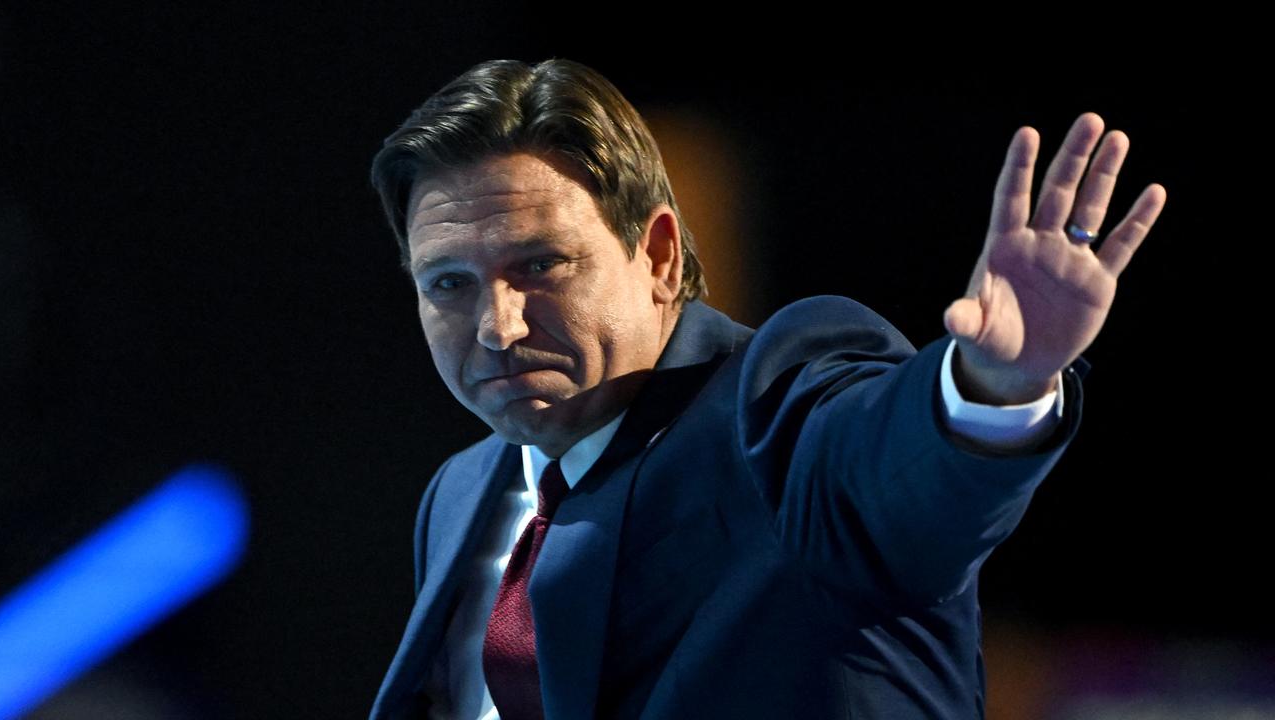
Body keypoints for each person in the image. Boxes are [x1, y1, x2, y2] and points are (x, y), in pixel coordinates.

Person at [365, 59, 1165, 720]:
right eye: (448, 285)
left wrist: (994, 382)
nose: (496, 326)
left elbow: (894, 469)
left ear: (659, 256)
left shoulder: (774, 407)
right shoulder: (460, 492)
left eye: (539, 266)